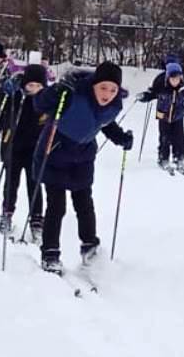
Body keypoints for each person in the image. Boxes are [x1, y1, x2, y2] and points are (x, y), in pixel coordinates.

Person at [33, 61, 134, 273]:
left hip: (82, 158)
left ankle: (90, 247)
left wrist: (122, 138)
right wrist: (56, 89)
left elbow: (105, 124)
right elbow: (40, 104)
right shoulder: (72, 93)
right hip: (55, 152)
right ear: (94, 85)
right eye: (103, 88)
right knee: (56, 206)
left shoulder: (112, 106)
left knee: (84, 204)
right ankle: (50, 252)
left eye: (113, 89)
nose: (107, 94)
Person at [0, 63, 49, 242]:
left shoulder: (46, 102)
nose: (34, 89)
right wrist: (5, 92)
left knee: (34, 185)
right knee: (11, 183)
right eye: (30, 85)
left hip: (36, 151)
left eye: (38, 86)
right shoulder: (17, 97)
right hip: (14, 147)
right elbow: (0, 110)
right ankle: (7, 213)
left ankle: (36, 221)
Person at [137, 60, 184, 173]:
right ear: (168, 78)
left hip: (178, 116)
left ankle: (179, 158)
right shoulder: (161, 86)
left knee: (180, 138)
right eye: (172, 79)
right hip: (163, 116)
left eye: (177, 78)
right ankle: (163, 159)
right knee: (165, 138)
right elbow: (151, 94)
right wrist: (143, 97)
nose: (175, 81)